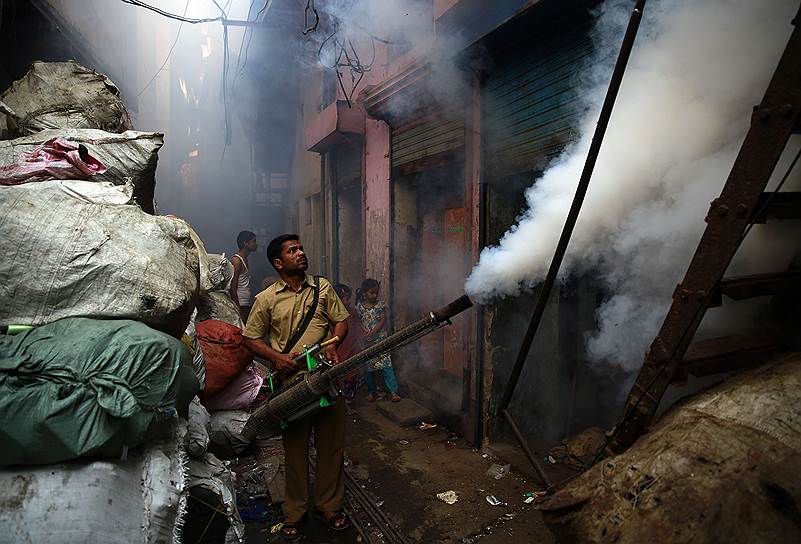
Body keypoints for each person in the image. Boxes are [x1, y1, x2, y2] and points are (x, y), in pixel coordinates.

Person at [241, 234, 350, 540]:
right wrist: (277, 358)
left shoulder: (323, 287)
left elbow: (341, 320)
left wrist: (335, 342)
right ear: (278, 263)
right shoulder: (266, 299)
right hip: (292, 387)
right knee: (296, 451)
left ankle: (329, 506)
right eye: (292, 251)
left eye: (301, 248)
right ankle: (295, 512)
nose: (301, 253)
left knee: (331, 447)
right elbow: (249, 339)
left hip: (327, 378)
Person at [355, 278, 401, 402]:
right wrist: (364, 331)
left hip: (381, 341)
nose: (375, 295)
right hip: (367, 343)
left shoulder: (380, 305)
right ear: (364, 292)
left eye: (376, 293)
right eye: (372, 293)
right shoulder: (359, 306)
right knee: (369, 369)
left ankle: (393, 392)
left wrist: (373, 331)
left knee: (387, 367)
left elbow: (382, 320)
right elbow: (358, 321)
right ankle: (371, 392)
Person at [333, 284, 365, 399]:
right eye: (347, 299)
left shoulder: (353, 312)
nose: (349, 301)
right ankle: (344, 397)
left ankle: (350, 395)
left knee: (353, 371)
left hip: (353, 346)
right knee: (341, 372)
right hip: (341, 348)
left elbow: (359, 326)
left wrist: (362, 337)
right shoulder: (333, 315)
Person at [230, 230, 257, 322]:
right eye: (253, 241)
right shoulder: (237, 261)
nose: (256, 244)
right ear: (246, 243)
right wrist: (237, 309)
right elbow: (233, 288)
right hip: (240, 303)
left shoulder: (245, 259)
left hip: (246, 302)